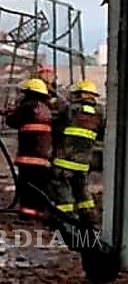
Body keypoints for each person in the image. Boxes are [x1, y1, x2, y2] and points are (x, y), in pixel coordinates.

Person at [50, 80, 105, 222]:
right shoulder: (100, 113)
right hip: (83, 164)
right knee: (82, 192)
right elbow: (101, 135)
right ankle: (89, 218)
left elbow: (55, 128)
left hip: (63, 161)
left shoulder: (70, 109)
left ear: (80, 94)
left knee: (63, 191)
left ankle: (66, 219)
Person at [5, 77, 54, 219]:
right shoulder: (46, 109)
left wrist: (11, 112)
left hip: (29, 156)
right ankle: (38, 212)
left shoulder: (28, 106)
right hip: (44, 157)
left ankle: (27, 215)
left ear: (29, 93)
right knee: (39, 186)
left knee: (27, 187)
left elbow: (12, 121)